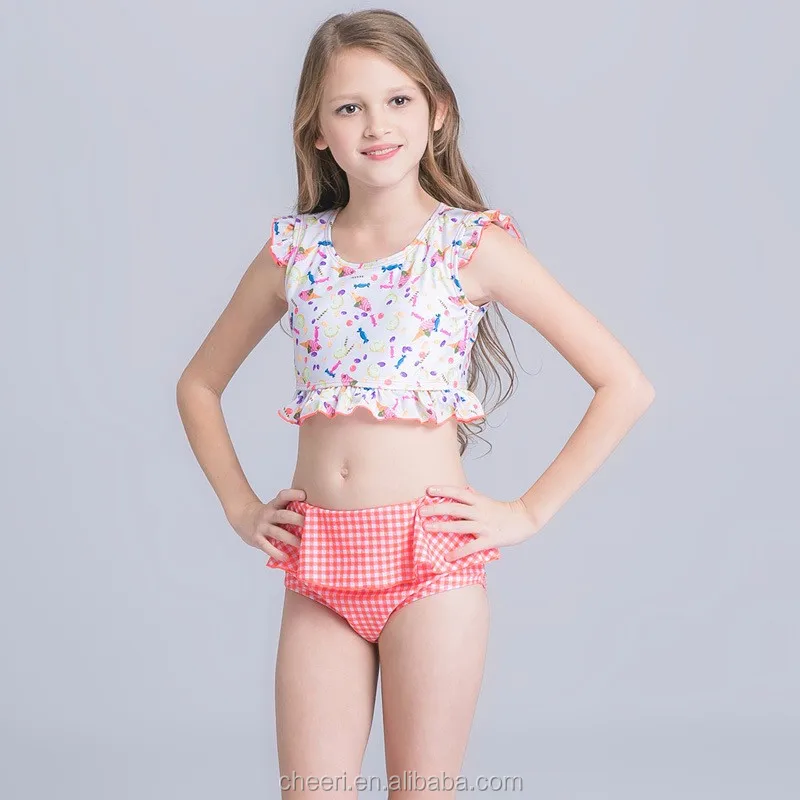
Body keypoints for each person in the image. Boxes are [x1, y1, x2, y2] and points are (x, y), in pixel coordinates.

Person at [176, 8, 655, 798]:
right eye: (349, 107)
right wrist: (240, 506)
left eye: (398, 100)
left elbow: (624, 383)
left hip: (428, 562)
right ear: (317, 131)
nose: (376, 125)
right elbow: (198, 384)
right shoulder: (294, 252)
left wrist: (527, 512)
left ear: (437, 111)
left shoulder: (471, 245)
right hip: (321, 562)